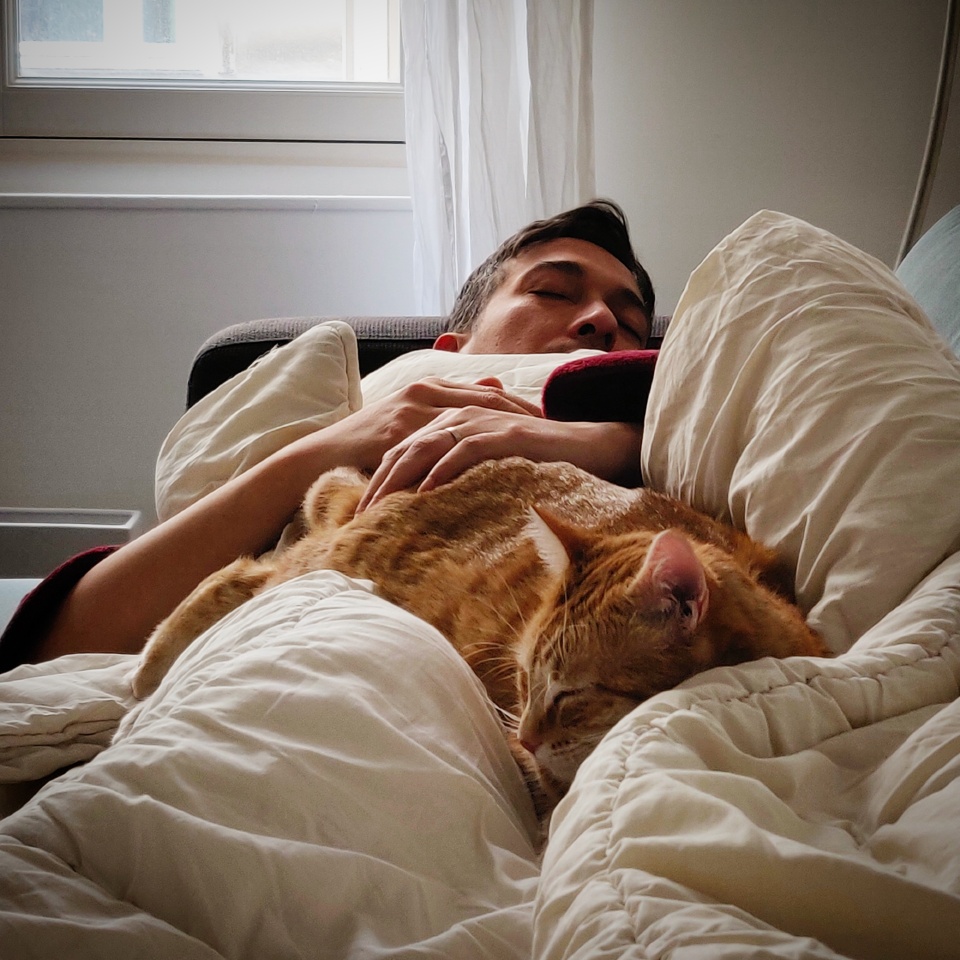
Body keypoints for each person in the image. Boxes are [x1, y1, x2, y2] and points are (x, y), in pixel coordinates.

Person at [2, 199, 655, 667]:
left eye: (628, 323)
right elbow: (59, 649)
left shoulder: (669, 424)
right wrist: (328, 447)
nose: (601, 320)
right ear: (454, 346)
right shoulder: (389, 402)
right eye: (553, 292)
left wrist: (613, 442)